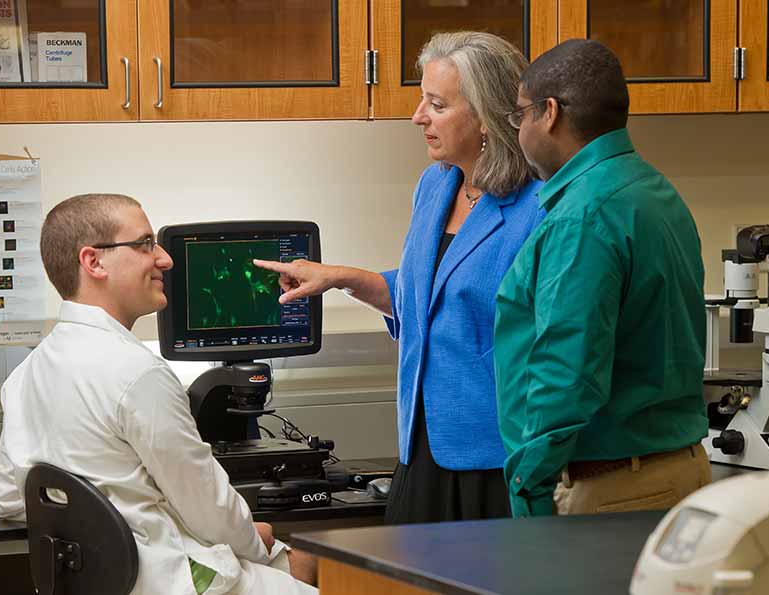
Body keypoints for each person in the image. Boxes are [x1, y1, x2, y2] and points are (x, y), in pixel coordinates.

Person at [254, 32, 544, 524]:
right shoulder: (436, 184)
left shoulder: (537, 208)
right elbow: (425, 300)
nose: (418, 117)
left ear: (487, 116)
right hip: (420, 444)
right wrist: (340, 277)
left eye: (436, 104)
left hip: (496, 454)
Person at [0, 194, 317, 595]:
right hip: (171, 580)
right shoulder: (137, 373)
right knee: (337, 570)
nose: (164, 259)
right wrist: (256, 540)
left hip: (103, 580)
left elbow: (12, 499)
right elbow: (207, 507)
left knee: (303, 563)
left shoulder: (24, 375)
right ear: (93, 261)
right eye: (146, 243)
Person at [493, 39, 710, 519]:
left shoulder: (583, 216)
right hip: (677, 468)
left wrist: (527, 486)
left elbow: (565, 374)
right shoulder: (651, 191)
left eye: (520, 115)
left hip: (612, 488)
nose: (520, 130)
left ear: (549, 113)